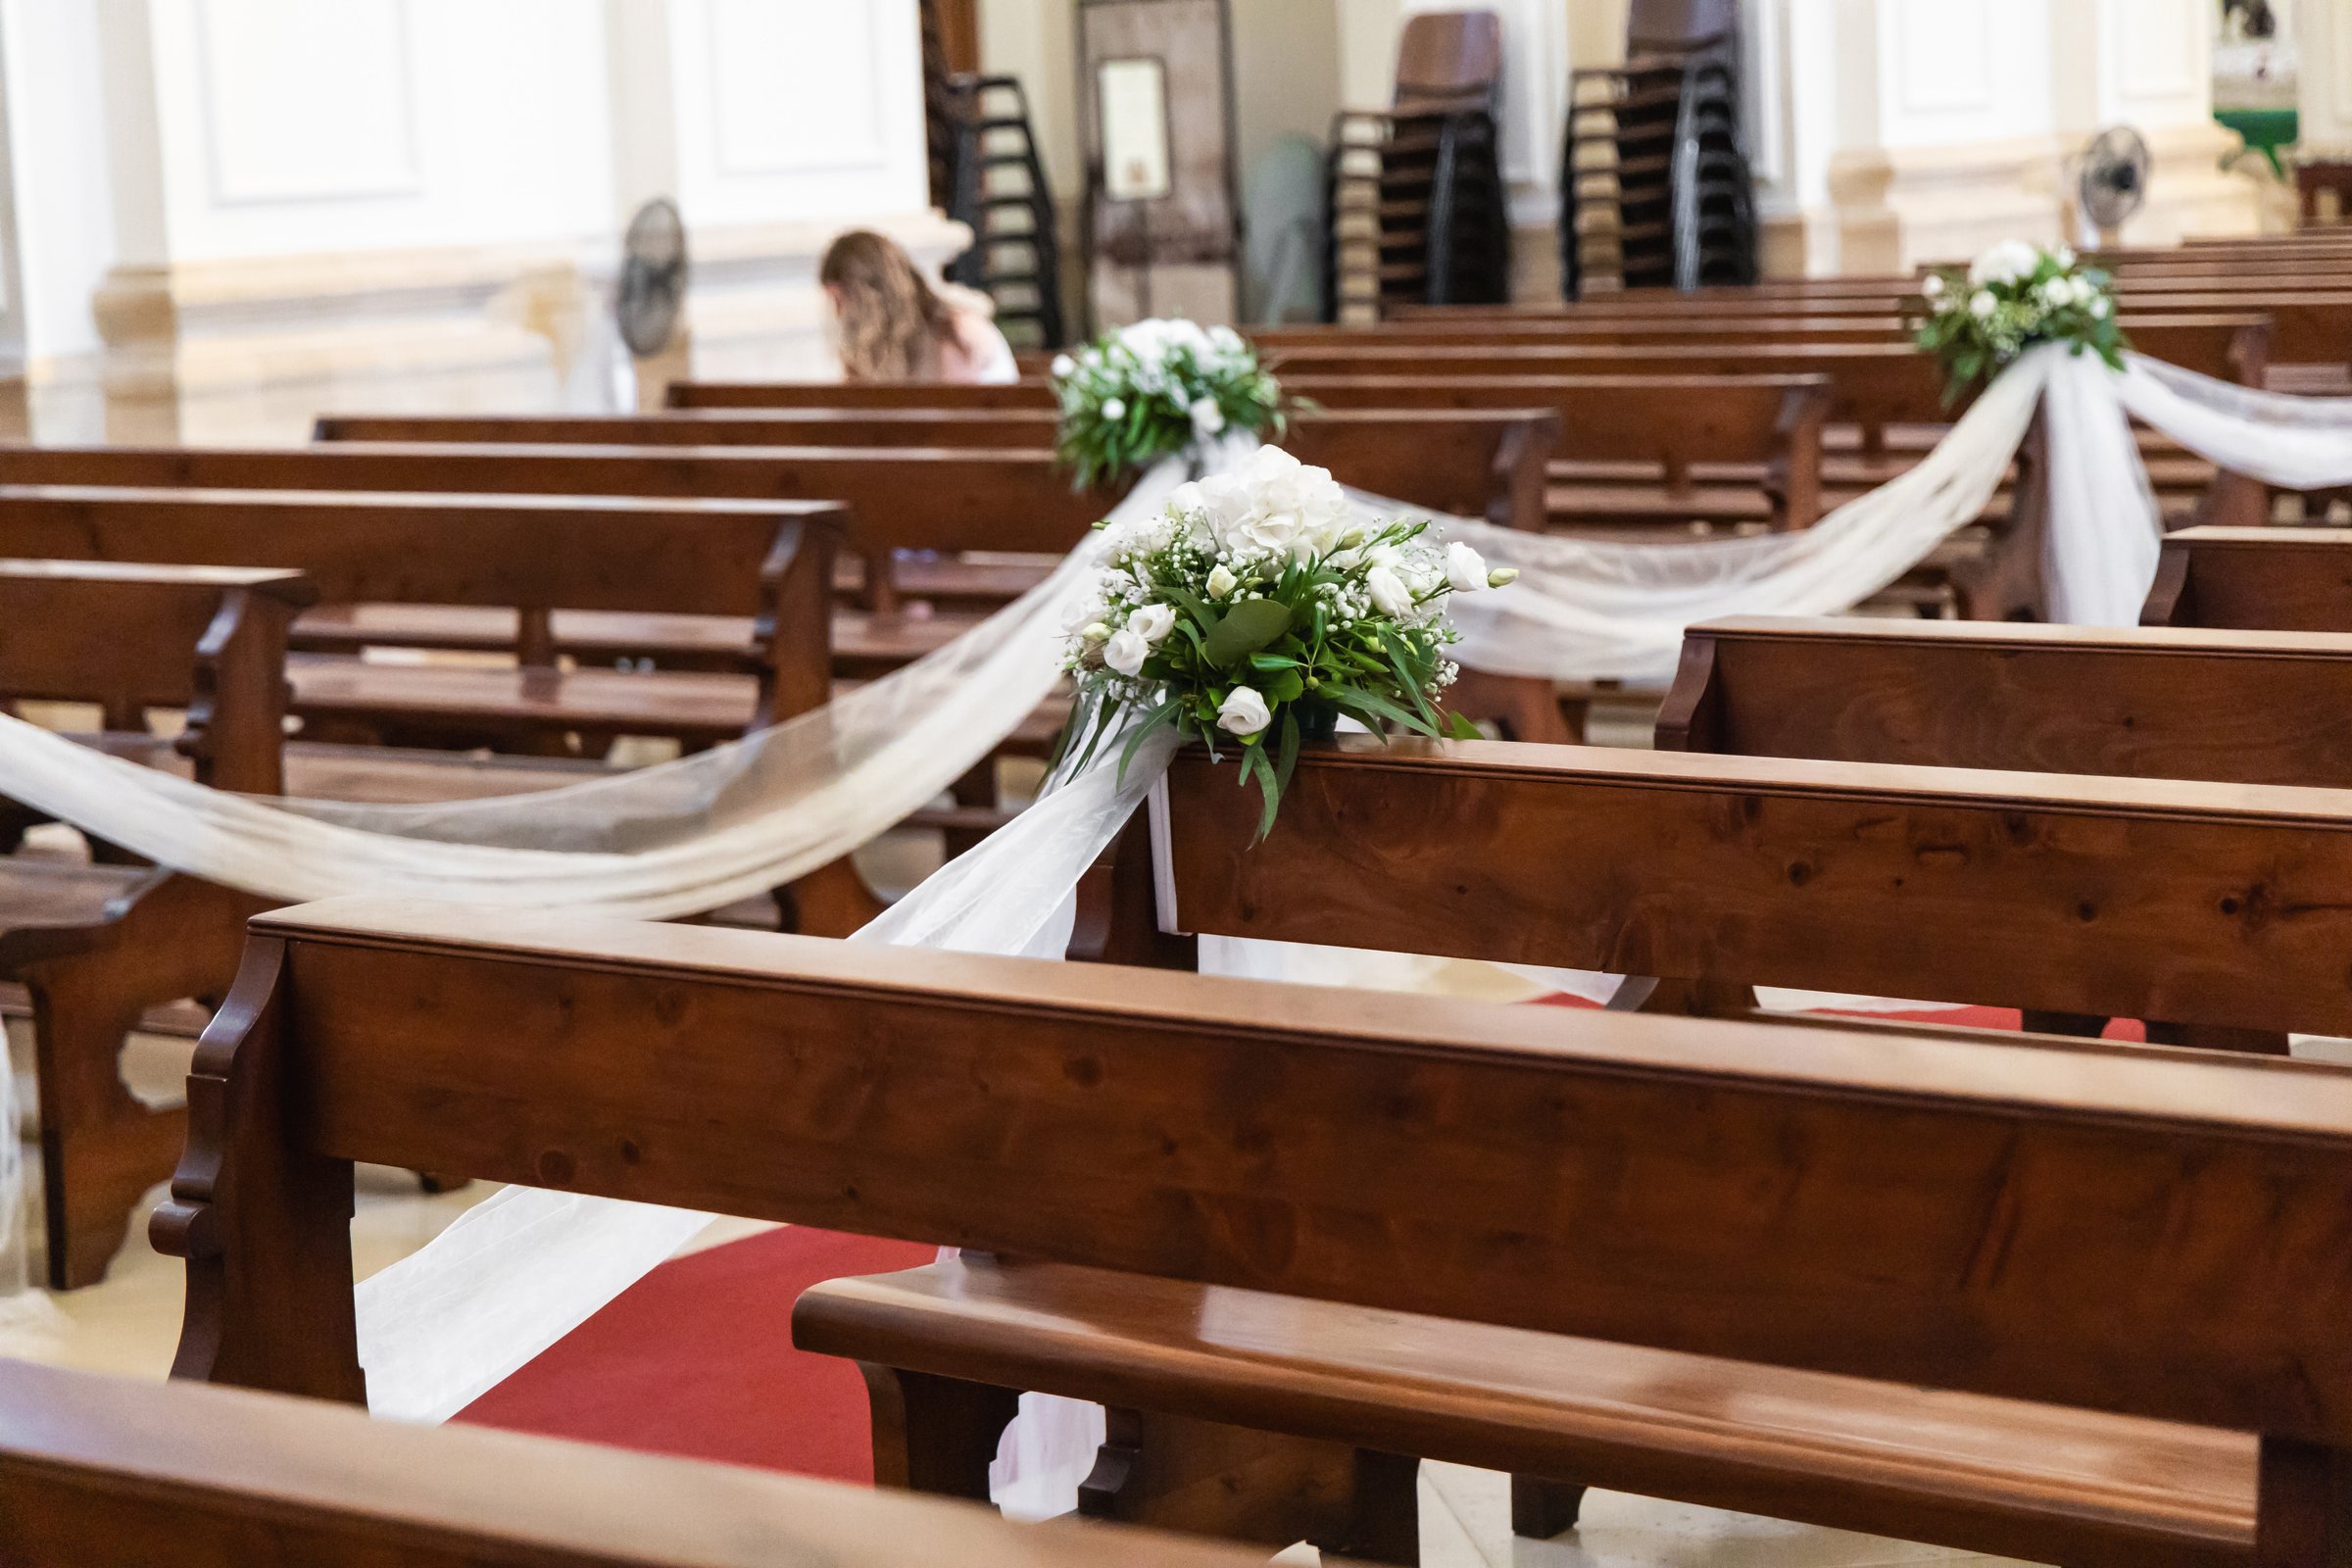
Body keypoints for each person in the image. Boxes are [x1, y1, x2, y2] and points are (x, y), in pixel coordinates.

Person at [819, 229, 1017, 383]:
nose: (839, 313)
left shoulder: (957, 332)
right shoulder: (875, 347)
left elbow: (958, 412)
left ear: (868, 295)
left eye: (840, 301)